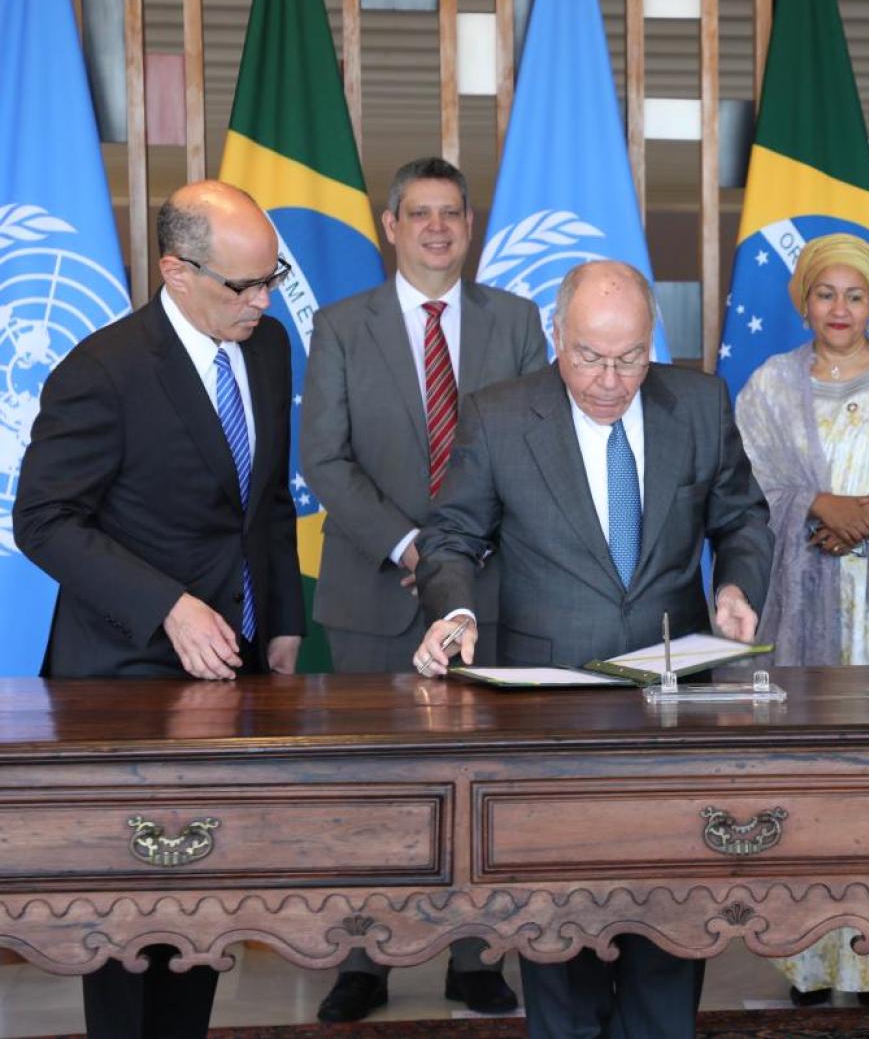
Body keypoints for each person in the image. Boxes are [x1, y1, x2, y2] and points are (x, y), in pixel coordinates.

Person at [410, 258, 774, 1039]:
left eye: (631, 358)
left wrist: (739, 589)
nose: (611, 379)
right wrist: (458, 612)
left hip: (674, 701)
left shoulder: (700, 402)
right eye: (589, 357)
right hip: (550, 714)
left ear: (653, 343)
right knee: (559, 924)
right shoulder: (500, 415)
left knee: (671, 920)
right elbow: (452, 537)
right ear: (555, 337)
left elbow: (741, 518)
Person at [14, 179, 305, 1038]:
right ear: (176, 271)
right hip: (124, 675)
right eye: (242, 286)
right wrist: (167, 606)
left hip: (236, 669)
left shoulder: (269, 346)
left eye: (271, 279)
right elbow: (43, 520)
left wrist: (281, 618)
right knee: (131, 926)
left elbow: (267, 502)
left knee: (204, 916)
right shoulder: (102, 370)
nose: (261, 302)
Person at [300, 157, 543, 1020]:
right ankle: (362, 959)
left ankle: (473, 957)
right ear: (389, 226)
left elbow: (535, 449)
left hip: (490, 587)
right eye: (420, 214)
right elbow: (323, 457)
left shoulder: (516, 322)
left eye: (452, 214)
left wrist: (456, 555)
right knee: (372, 781)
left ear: (470, 227)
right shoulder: (339, 325)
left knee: (479, 779)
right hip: (372, 592)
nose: (437, 228)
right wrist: (410, 545)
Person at [734, 233, 869, 1006]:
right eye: (827, 293)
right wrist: (813, 507)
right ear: (804, 299)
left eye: (856, 295)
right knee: (806, 777)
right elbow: (747, 491)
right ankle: (808, 958)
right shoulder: (768, 386)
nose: (841, 309)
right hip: (800, 620)